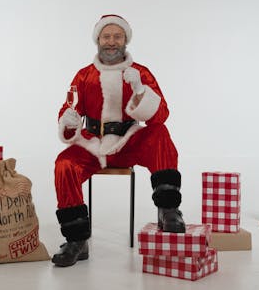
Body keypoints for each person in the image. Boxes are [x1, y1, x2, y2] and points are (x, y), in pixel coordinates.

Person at [52, 14, 186, 267]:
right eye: (106, 36)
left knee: (160, 135)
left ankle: (168, 210)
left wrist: (140, 91)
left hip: (129, 141)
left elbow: (161, 116)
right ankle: (76, 241)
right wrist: (68, 120)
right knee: (64, 164)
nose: (111, 42)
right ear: (98, 40)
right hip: (94, 144)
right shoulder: (84, 75)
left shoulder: (141, 73)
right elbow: (68, 110)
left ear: (125, 40)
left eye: (117, 36)